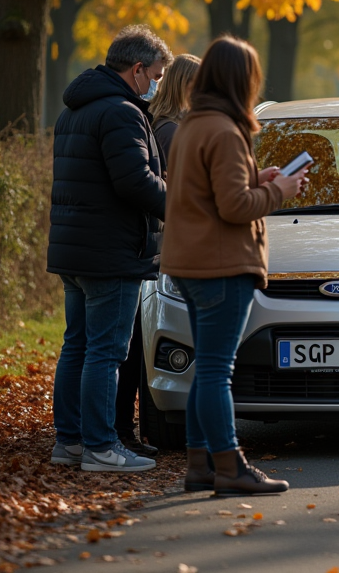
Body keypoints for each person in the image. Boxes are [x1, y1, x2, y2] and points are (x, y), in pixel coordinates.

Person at [161, 36, 307, 495]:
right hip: (220, 265)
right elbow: (234, 207)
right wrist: (279, 191)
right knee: (216, 371)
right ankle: (230, 467)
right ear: (242, 81)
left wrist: (256, 178)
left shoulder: (192, 125)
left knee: (205, 368)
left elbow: (205, 191)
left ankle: (200, 464)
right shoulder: (225, 131)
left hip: (190, 262)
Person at [47, 25, 171, 473]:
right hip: (111, 251)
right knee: (106, 351)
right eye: (155, 75)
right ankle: (101, 447)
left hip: (75, 249)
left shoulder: (75, 110)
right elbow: (135, 181)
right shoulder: (121, 112)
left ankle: (70, 441)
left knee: (77, 346)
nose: (155, 85)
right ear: (137, 69)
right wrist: (183, 204)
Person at [114, 53, 201, 456]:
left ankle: (120, 429)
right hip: (163, 247)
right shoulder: (169, 130)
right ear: (185, 85)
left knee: (129, 345)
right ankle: (119, 430)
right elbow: (174, 190)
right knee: (130, 347)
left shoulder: (165, 125)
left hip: (157, 245)